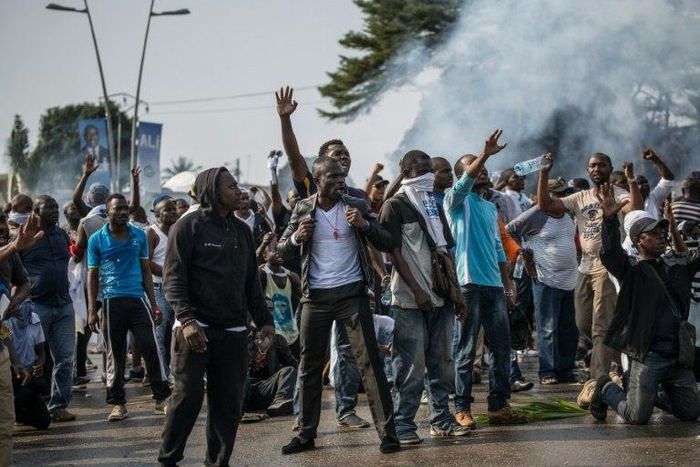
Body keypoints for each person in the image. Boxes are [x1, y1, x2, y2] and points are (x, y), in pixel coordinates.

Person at [277, 157, 399, 455]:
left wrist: (365, 224)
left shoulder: (355, 204)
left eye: (342, 176)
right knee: (309, 367)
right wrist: (296, 237)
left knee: (369, 364)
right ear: (317, 180)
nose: (339, 181)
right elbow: (280, 251)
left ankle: (388, 434)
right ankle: (306, 434)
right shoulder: (303, 208)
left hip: (351, 295)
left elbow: (386, 241)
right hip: (314, 298)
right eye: (332, 177)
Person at [158, 168, 274, 466]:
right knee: (187, 399)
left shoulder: (242, 231)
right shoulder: (187, 226)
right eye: (232, 186)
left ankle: (218, 462)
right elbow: (173, 279)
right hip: (194, 330)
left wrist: (265, 322)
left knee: (228, 405)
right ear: (212, 190)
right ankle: (168, 458)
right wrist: (186, 320)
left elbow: (251, 281)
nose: (239, 190)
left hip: (234, 332)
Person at [537, 152, 642, 407]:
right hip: (584, 266)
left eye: (602, 164)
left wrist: (630, 181)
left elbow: (635, 209)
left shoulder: (618, 194)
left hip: (608, 267)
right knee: (583, 323)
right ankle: (616, 364)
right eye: (592, 165)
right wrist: (543, 173)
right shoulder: (580, 197)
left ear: (610, 168)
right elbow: (546, 206)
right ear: (587, 170)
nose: (597, 168)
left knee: (600, 329)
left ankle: (599, 385)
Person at [590, 184, 700, 424]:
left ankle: (651, 393)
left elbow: (692, 258)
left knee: (691, 412)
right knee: (636, 416)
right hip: (650, 355)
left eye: (663, 232)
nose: (662, 236)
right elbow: (610, 254)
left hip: (678, 355)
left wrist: (673, 224)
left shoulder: (675, 265)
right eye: (655, 233)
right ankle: (606, 388)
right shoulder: (631, 269)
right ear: (639, 240)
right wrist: (609, 220)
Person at [379, 150, 468, 444]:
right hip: (409, 300)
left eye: (431, 170)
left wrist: (457, 296)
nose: (429, 175)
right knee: (410, 365)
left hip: (440, 297)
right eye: (421, 170)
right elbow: (394, 255)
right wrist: (418, 292)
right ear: (405, 172)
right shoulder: (395, 206)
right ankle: (403, 424)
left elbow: (445, 252)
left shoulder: (433, 204)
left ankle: (441, 419)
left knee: (443, 362)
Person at [445, 130, 528, 428]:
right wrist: (485, 155)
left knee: (501, 349)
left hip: (494, 286)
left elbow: (498, 249)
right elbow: (464, 182)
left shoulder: (490, 207)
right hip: (468, 284)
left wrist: (508, 285)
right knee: (465, 349)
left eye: (484, 169)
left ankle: (498, 406)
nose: (483, 172)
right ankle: (462, 408)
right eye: (475, 169)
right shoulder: (455, 201)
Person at [86, 194, 171, 422]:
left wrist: (154, 304)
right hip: (112, 301)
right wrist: (92, 310)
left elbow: (145, 270)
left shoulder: (138, 236)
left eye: (126, 208)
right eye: (118, 209)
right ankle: (118, 403)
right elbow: (92, 275)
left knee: (151, 347)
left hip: (137, 299)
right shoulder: (97, 239)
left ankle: (161, 398)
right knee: (116, 354)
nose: (124, 212)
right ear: (108, 212)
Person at [507, 179, 580, 384]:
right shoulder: (536, 213)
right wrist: (524, 253)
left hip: (570, 278)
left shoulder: (568, 212)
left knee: (569, 327)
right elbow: (509, 230)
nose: (566, 197)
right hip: (545, 278)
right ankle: (547, 371)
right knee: (547, 327)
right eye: (561, 193)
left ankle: (565, 369)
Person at [19, 195, 76, 422]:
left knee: (64, 358)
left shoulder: (62, 235)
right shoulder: (25, 237)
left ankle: (58, 405)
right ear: (35, 211)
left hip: (63, 305)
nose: (55, 211)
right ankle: (28, 408)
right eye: (48, 208)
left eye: (56, 207)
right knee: (32, 359)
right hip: (35, 307)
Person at [0, 212, 44, 466]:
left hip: (1, 352)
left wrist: (14, 359)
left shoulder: (12, 256)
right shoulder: (11, 248)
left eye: (4, 232)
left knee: (5, 425)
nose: (3, 237)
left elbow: (0, 325)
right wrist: (15, 245)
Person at [6, 300, 50, 430]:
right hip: (10, 375)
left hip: (28, 375)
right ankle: (10, 412)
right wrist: (15, 364)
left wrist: (39, 365)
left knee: (44, 421)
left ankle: (16, 413)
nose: (26, 305)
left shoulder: (34, 319)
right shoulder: (4, 322)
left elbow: (41, 352)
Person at [244, 310, 298, 418]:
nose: (269, 312)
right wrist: (259, 350)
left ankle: (280, 401)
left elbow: (294, 366)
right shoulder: (244, 336)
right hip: (245, 389)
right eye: (266, 308)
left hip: (266, 387)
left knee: (288, 371)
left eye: (271, 309)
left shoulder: (278, 340)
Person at [147, 195, 179, 377]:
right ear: (158, 214)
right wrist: (168, 273)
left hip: (177, 289)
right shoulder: (152, 233)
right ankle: (161, 375)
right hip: (159, 289)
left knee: (177, 334)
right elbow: (147, 262)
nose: (173, 212)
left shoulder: (178, 229)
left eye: (174, 209)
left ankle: (176, 373)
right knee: (160, 333)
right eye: (168, 210)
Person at [258, 238, 301, 355]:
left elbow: (306, 300)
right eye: (273, 250)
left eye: (280, 250)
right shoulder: (262, 273)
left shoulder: (292, 276)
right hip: (272, 333)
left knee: (295, 367)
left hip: (291, 333)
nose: (278, 253)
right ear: (265, 255)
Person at [637, 149, 675, 219]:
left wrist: (655, 159)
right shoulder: (627, 202)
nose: (645, 184)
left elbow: (668, 179)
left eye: (646, 182)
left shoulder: (653, 198)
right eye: (641, 183)